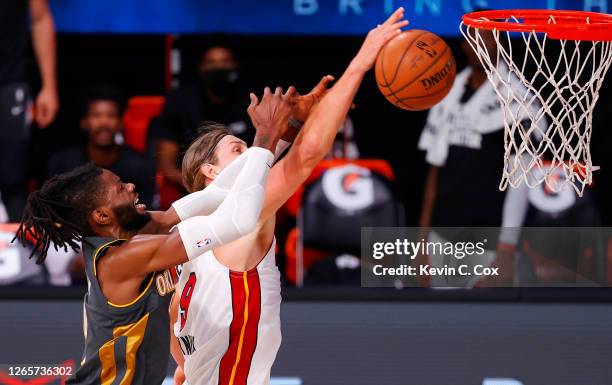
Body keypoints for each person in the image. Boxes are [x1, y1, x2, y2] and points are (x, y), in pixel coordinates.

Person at [169, 8, 409, 385]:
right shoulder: (239, 217)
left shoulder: (185, 238)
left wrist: (297, 121)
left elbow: (174, 329)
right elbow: (308, 154)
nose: (251, 155)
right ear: (210, 172)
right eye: (237, 150)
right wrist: (362, 61)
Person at [13, 91, 290, 384]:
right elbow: (237, 219)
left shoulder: (133, 234)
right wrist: (263, 139)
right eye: (119, 188)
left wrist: (288, 128)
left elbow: (209, 197)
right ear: (102, 216)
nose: (131, 186)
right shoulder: (123, 258)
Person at [417, 27, 542, 287]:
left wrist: (507, 249)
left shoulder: (519, 99)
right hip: (442, 235)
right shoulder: (446, 93)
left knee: (488, 324)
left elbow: (521, 178)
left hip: (489, 241)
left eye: (486, 36)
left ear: (499, 41)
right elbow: (433, 172)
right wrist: (422, 241)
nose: (478, 43)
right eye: (472, 37)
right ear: (463, 44)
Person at [151, 46, 252, 189]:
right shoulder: (180, 102)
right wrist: (204, 191)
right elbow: (167, 166)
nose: (218, 67)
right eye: (211, 63)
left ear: (235, 66)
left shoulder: (251, 101)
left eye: (225, 62)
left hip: (245, 186)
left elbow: (262, 153)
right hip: (192, 189)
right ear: (201, 68)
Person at [47, 85, 157, 208]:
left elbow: (148, 213)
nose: (104, 122)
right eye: (96, 115)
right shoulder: (63, 163)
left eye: (111, 116)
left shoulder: (139, 165)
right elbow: (50, 209)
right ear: (84, 122)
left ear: (121, 123)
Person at [0, 0, 58, 221]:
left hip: (9, 80)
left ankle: (17, 247)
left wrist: (49, 86)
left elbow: (40, 17)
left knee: (14, 176)